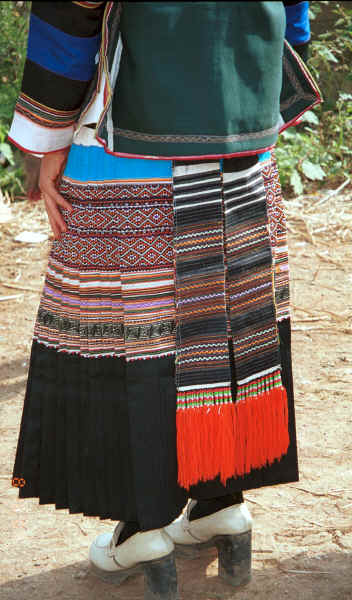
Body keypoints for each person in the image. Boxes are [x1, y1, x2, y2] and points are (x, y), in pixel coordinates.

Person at [8, 2, 321, 599]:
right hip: (240, 136)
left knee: (137, 326)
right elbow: (294, 13)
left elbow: (72, 15)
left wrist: (47, 138)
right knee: (227, 321)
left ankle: (144, 526)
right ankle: (220, 503)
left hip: (131, 142)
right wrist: (255, 91)